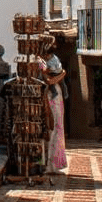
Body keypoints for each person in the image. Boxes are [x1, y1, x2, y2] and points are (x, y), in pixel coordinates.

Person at [40, 39, 67, 174]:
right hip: (49, 96)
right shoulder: (42, 63)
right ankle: (47, 164)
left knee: (56, 128)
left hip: (55, 95)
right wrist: (62, 74)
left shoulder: (52, 61)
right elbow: (49, 80)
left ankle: (54, 164)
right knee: (51, 128)